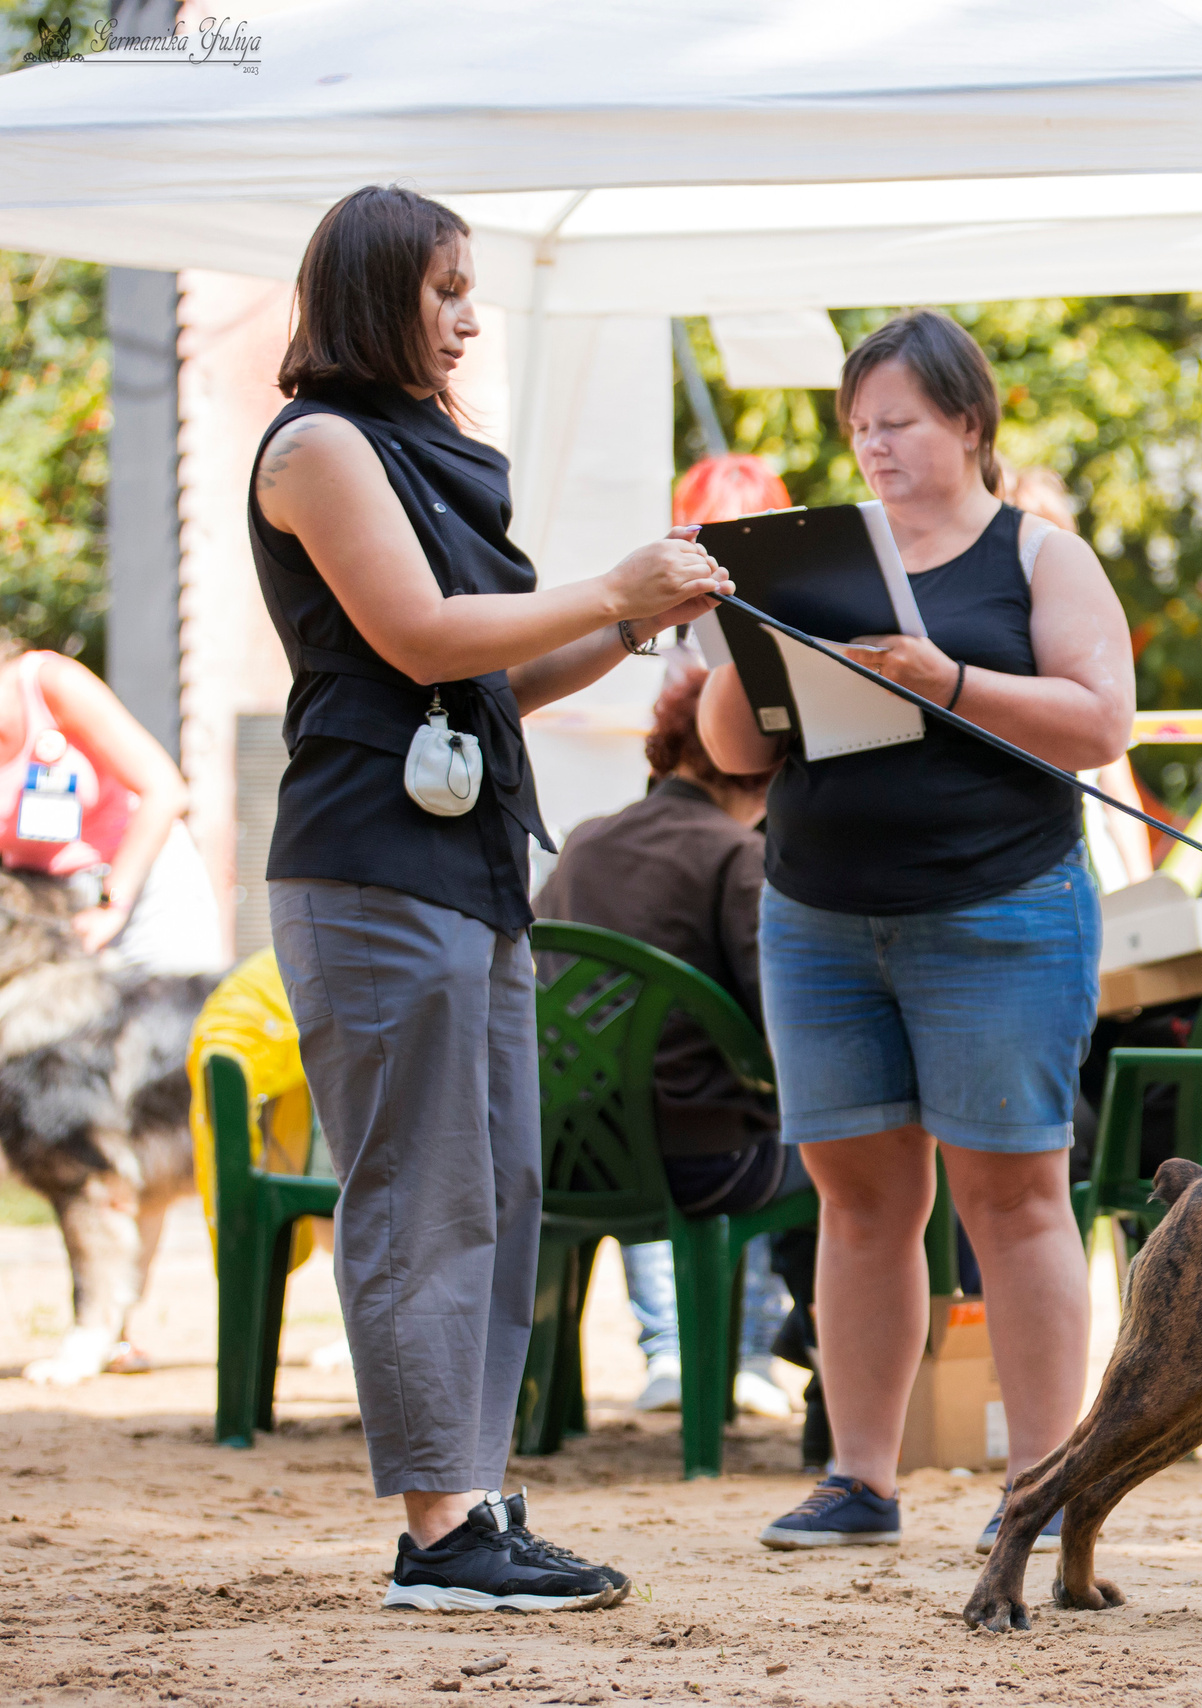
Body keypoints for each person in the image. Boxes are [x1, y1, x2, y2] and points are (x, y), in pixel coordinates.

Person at [251, 185, 730, 1612]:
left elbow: (490, 681)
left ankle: (474, 1500)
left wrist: (632, 623)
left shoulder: (432, 451)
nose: (470, 315)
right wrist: (604, 587)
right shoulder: (321, 444)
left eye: (473, 287)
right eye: (446, 287)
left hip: (467, 865)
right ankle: (438, 1530)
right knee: (420, 1197)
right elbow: (416, 635)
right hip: (368, 862)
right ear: (375, 291)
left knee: (503, 1189)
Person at [699, 309, 1133, 1553]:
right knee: (858, 1200)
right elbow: (732, 750)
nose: (874, 447)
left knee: (1014, 1194)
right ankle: (860, 1476)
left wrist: (943, 680)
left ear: (968, 423)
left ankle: (1044, 1484)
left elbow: (1100, 723)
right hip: (821, 914)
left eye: (898, 422)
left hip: (1000, 908)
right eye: (858, 428)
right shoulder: (821, 556)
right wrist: (752, 632)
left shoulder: (1038, 557)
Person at [533, 659, 804, 1422]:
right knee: (857, 1170)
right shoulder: (738, 854)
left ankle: (548, 1405)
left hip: (561, 1156)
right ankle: (822, 1390)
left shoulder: (584, 842)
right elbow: (778, 1023)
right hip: (702, 1165)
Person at [0, 637, 222, 975]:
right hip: (47, 907)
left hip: (140, 883)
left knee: (175, 1017)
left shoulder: (50, 683)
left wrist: (112, 904)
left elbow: (164, 790)